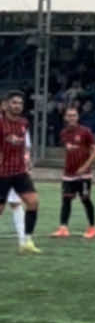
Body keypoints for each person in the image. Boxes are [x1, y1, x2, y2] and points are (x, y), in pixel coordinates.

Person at [0, 90, 40, 253]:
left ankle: (27, 240)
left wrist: (27, 159)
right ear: (7, 104)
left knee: (33, 202)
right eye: (14, 102)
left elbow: (25, 145)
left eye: (20, 103)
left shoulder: (24, 123)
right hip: (2, 173)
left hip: (19, 171)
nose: (17, 106)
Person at [52, 105, 95, 239]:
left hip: (84, 174)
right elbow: (68, 150)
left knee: (85, 199)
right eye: (69, 115)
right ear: (65, 117)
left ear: (77, 117)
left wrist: (85, 166)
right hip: (68, 173)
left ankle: (92, 228)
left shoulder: (85, 132)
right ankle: (63, 228)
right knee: (66, 199)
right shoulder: (63, 133)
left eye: (74, 115)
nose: (71, 118)